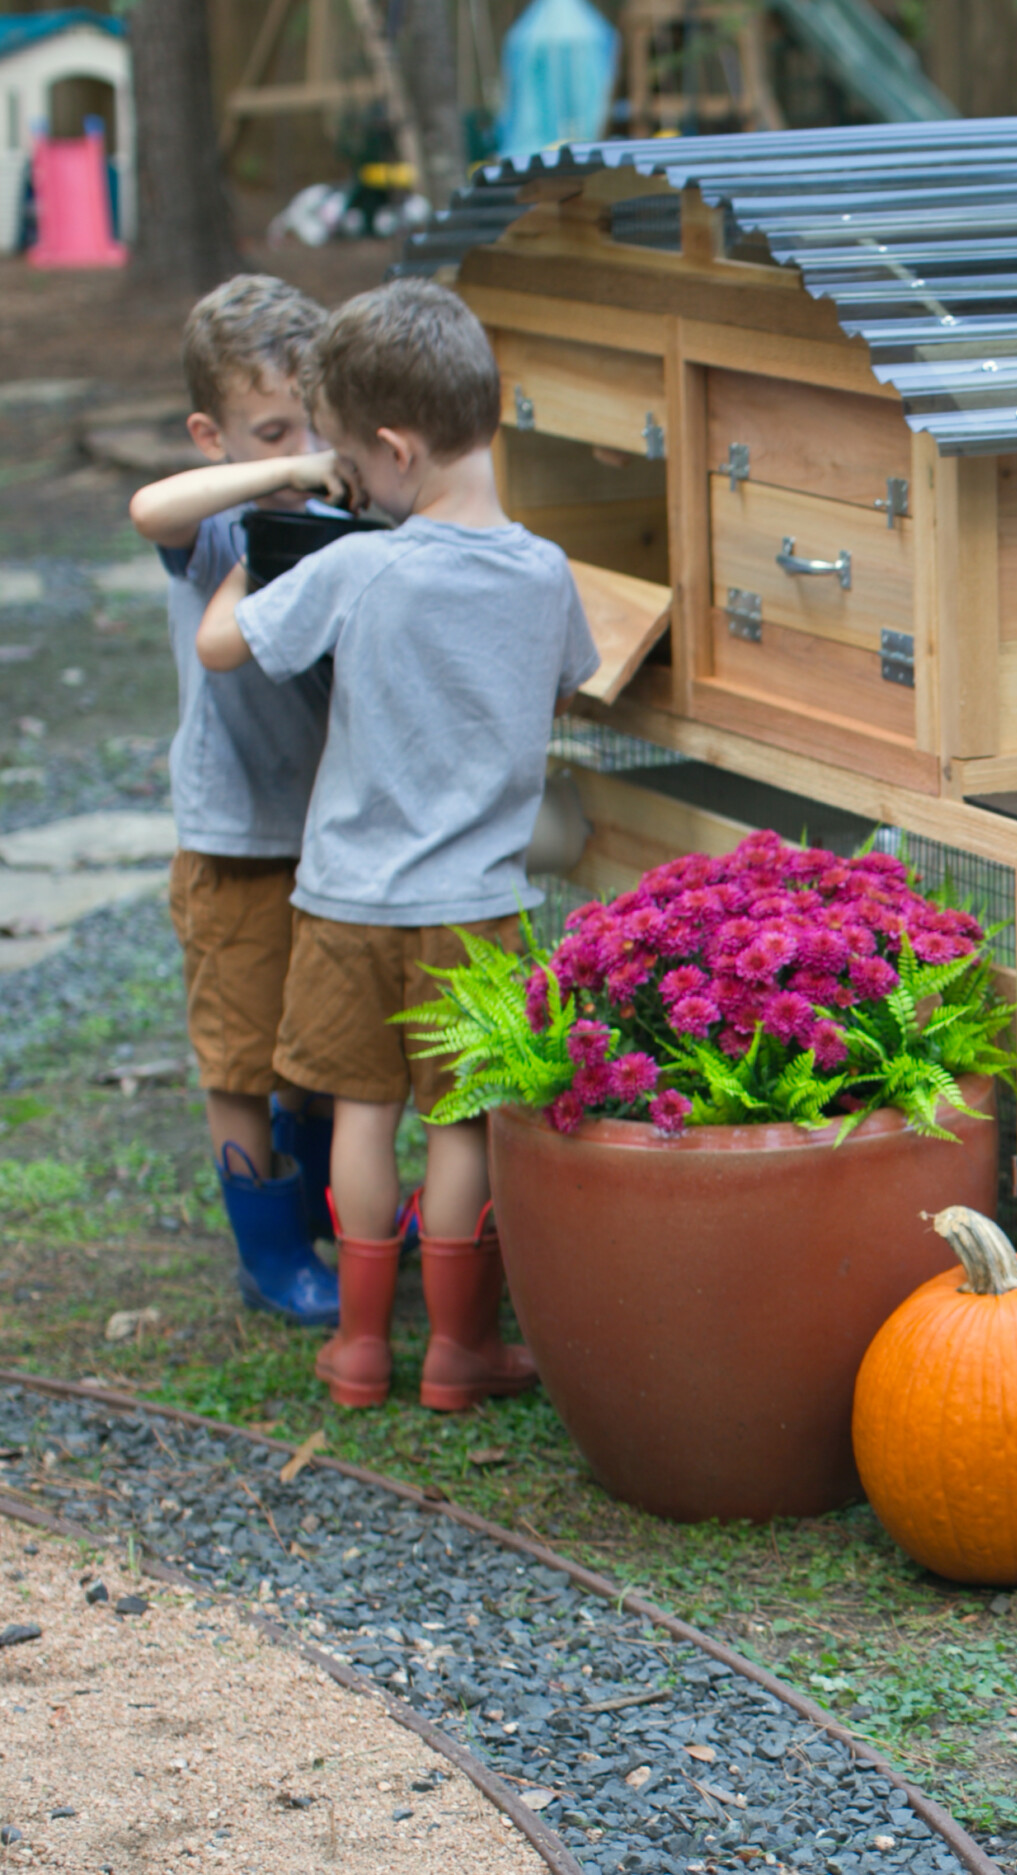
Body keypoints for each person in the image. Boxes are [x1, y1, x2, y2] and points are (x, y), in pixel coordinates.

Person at [196, 278, 599, 1412]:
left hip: (344, 902)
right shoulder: (544, 571)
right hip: (475, 902)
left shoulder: (354, 567)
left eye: (355, 468)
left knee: (363, 1115)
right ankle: (459, 1351)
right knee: (461, 1121)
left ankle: (361, 1350)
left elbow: (226, 645)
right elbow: (572, 677)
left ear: (392, 449)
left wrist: (258, 553)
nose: (356, 489)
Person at [126, 275, 345, 1328]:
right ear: (211, 435)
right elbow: (147, 508)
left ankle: (318, 1213)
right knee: (243, 1056)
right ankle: (270, 1254)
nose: (303, 452)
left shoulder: (335, 524)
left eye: (317, 425)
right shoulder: (214, 537)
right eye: (271, 431)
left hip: (331, 839)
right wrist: (285, 471)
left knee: (320, 1045)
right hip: (234, 841)